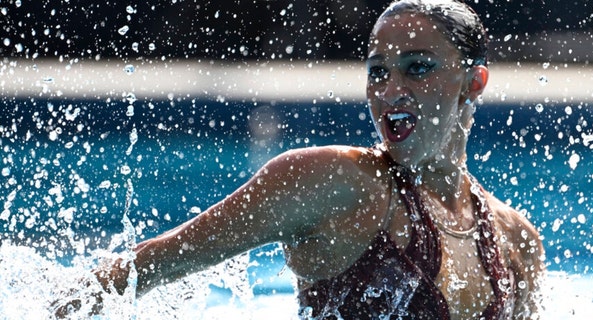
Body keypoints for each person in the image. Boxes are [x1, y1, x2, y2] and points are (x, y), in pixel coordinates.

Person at [56, 0, 545, 318]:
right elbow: (146, 267)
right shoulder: (334, 182)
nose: (391, 92)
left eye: (418, 68)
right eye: (378, 72)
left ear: (473, 82)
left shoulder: (514, 240)